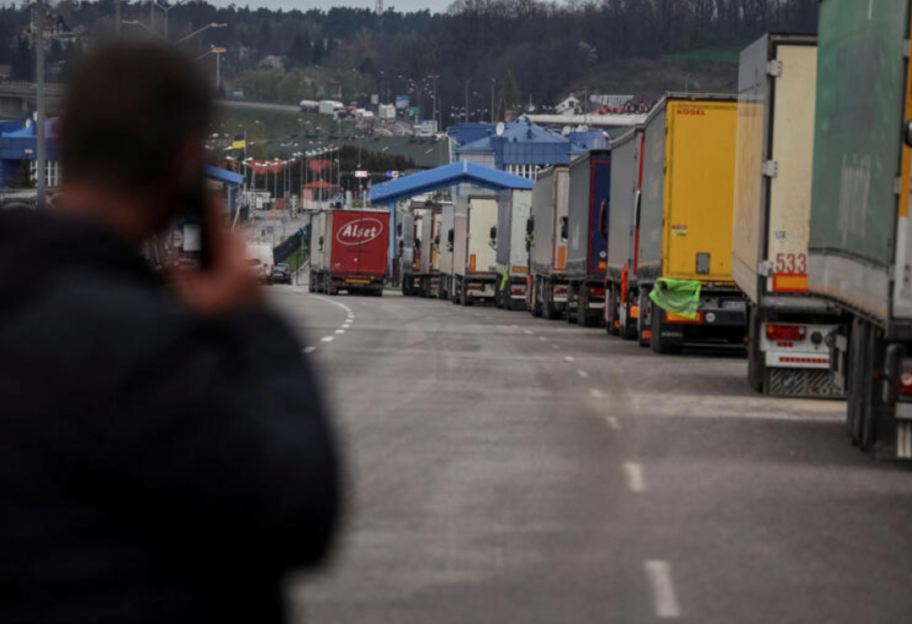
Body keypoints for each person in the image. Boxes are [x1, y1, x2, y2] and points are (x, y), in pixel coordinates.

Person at [0, 40, 340, 624]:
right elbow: (295, 510)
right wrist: (251, 323)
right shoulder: (137, 348)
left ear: (62, 140)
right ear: (185, 163)